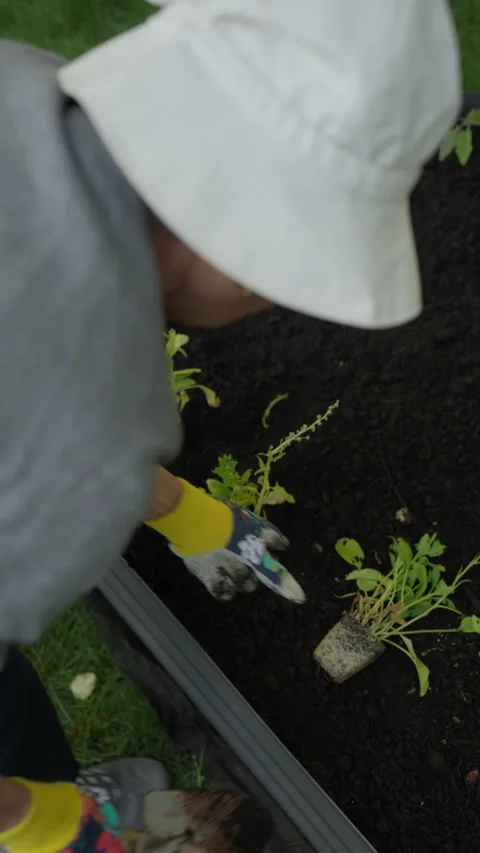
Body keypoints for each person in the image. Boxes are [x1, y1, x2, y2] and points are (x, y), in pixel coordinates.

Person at [0, 0, 461, 849]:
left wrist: (186, 513)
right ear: (244, 232)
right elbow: (52, 422)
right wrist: (42, 825)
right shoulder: (86, 446)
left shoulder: (18, 88)